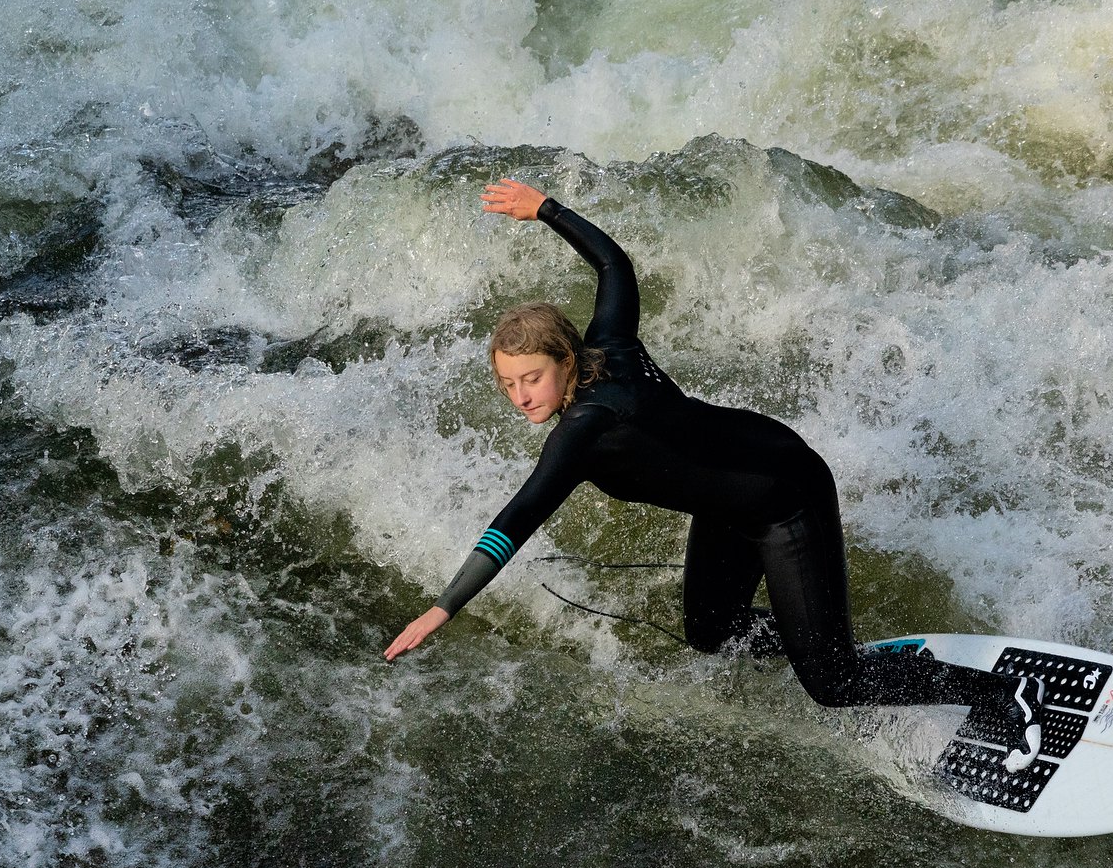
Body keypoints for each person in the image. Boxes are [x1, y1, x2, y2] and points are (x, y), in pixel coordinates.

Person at [382, 179, 1045, 769]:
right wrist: (545, 209)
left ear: (563, 359)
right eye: (509, 384)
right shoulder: (610, 344)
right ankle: (846, 649)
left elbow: (516, 518)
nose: (522, 394)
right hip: (734, 495)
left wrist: (443, 606)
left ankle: (993, 691)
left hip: (785, 495)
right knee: (710, 629)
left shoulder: (581, 431)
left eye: (532, 377)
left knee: (833, 685)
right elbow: (614, 265)